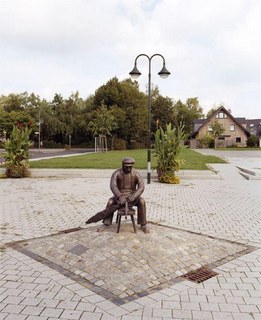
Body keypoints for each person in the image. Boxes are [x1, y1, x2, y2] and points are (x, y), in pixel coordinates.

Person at [103, 157, 149, 233]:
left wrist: (134, 196)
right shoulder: (116, 173)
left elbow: (141, 186)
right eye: (126, 167)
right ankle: (106, 223)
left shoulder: (136, 173)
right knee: (110, 202)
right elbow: (113, 186)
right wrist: (119, 196)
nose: (128, 169)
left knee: (142, 201)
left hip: (132, 197)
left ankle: (143, 224)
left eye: (130, 167)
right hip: (119, 196)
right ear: (122, 165)